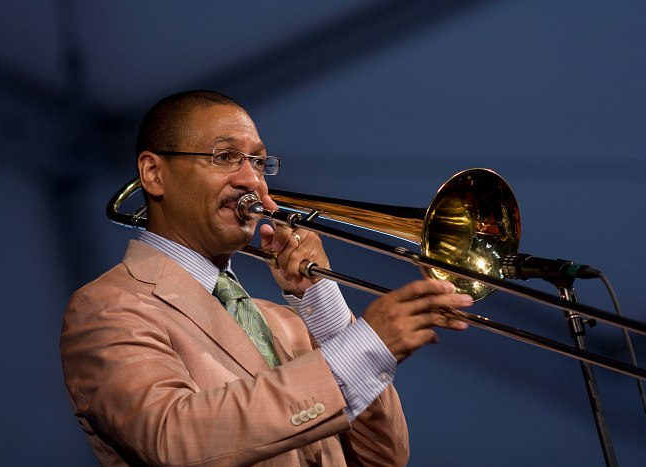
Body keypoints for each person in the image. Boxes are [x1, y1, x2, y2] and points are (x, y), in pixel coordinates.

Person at [60, 90, 473, 466]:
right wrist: (362, 348)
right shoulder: (109, 305)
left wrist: (324, 306)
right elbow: (174, 439)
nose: (251, 181)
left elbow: (384, 458)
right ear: (153, 173)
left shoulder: (289, 322)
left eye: (258, 162)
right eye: (224, 157)